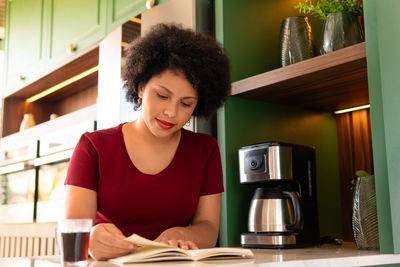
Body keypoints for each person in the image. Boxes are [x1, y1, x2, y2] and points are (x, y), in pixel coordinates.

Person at [64, 23, 231, 261]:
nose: (171, 113)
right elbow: (74, 230)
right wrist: (91, 238)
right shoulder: (94, 146)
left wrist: (180, 233)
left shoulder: (205, 149)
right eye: (162, 96)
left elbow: (208, 228)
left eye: (186, 103)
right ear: (141, 87)